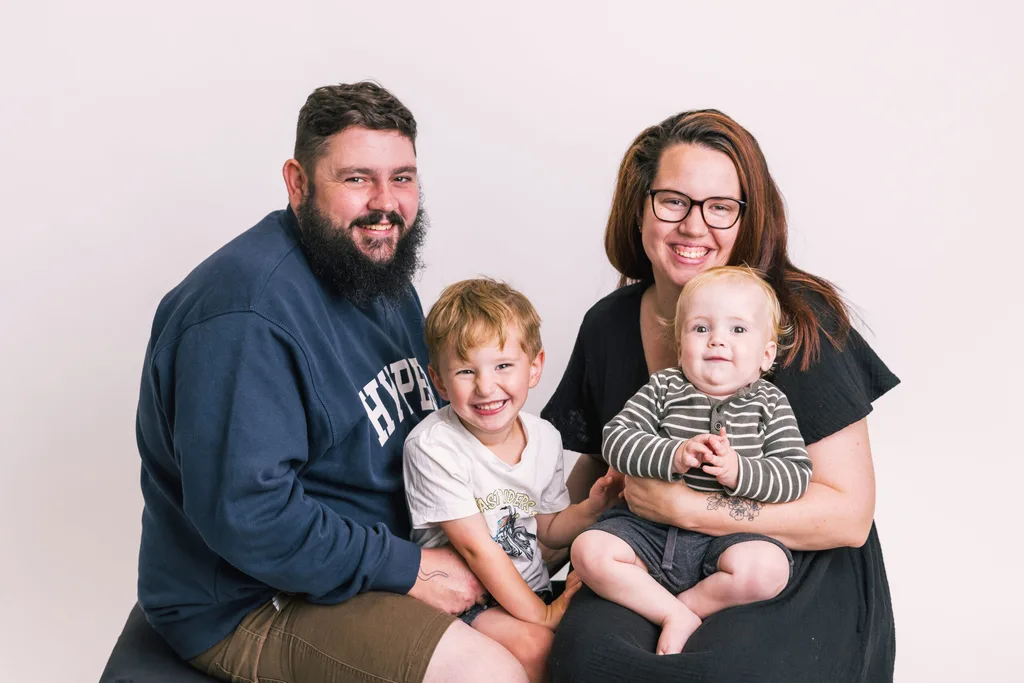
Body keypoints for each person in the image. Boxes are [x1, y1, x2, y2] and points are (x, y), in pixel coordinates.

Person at [134, 82, 533, 683]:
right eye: (356, 178)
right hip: (251, 601)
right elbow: (249, 515)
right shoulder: (244, 316)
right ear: (297, 183)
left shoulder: (374, 270)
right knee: (487, 675)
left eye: (402, 178)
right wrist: (410, 569)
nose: (385, 203)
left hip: (372, 558)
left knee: (544, 652)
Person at [542, 109, 900, 682]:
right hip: (648, 549)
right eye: (673, 201)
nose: (694, 226)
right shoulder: (608, 324)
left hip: (787, 560)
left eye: (720, 207)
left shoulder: (801, 321)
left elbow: (849, 517)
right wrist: (536, 548)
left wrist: (689, 508)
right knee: (587, 661)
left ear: (747, 219)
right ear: (639, 209)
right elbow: (597, 465)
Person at [572, 265, 811, 655]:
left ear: (766, 355)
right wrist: (673, 454)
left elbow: (795, 475)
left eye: (738, 329)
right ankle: (671, 613)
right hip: (647, 531)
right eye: (701, 328)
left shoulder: (770, 403)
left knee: (769, 569)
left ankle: (690, 606)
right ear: (680, 344)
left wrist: (739, 471)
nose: (717, 340)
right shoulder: (664, 387)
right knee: (588, 551)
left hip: (728, 540)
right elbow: (615, 439)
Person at [404, 278, 622, 683]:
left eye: (503, 366)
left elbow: (550, 529)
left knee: (598, 638)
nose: (486, 387)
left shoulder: (544, 437)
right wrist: (543, 615)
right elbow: (476, 550)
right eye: (466, 371)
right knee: (537, 648)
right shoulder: (433, 446)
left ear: (534, 367)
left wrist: (593, 508)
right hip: (467, 597)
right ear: (439, 381)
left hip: (530, 588)